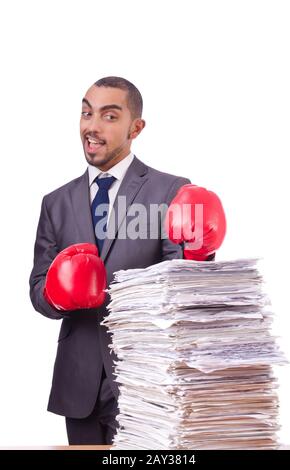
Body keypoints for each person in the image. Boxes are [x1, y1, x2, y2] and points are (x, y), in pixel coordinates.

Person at [29, 76, 225, 445]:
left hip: (148, 376)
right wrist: (56, 293)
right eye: (87, 113)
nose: (92, 125)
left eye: (109, 116)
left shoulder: (171, 190)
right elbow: (37, 289)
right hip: (79, 379)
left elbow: (186, 287)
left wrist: (200, 254)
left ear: (136, 127)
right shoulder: (55, 203)